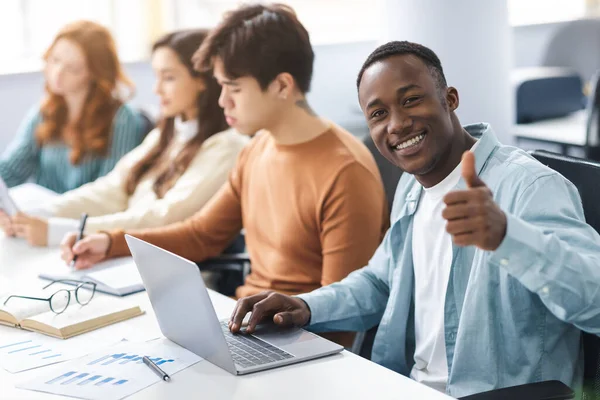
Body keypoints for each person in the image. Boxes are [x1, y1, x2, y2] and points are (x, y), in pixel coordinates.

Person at [225, 41, 600, 397]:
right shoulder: (411, 188)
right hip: (405, 387)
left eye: (411, 100)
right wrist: (306, 306)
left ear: (449, 99)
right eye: (378, 114)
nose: (397, 124)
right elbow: (380, 281)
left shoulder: (530, 186)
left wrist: (507, 237)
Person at [59, 4, 388, 346]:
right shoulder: (257, 149)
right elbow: (202, 234)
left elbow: (341, 322)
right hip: (245, 329)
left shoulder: (346, 171)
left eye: (234, 88)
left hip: (298, 345)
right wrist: (110, 242)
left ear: (281, 86)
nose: (222, 102)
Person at [0, 30, 248, 247]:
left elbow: (162, 217)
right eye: (156, 76)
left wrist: (60, 230)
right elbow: (112, 189)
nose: (156, 89)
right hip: (121, 252)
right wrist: (35, 215)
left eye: (169, 77)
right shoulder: (169, 133)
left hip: (163, 265)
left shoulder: (225, 147)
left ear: (203, 81)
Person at [0, 20, 145, 194]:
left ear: (95, 73)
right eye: (55, 60)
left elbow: (110, 192)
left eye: (73, 68)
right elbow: (11, 170)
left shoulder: (122, 119)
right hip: (40, 214)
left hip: (81, 218)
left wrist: (52, 216)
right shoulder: (44, 113)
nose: (58, 72)